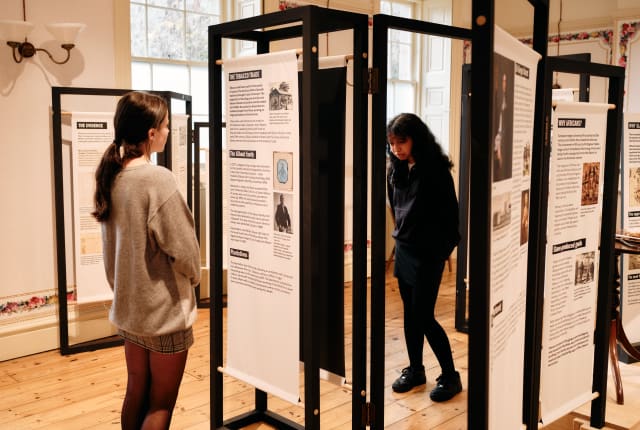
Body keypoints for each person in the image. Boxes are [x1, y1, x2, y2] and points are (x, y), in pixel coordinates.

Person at [92, 91, 201, 429]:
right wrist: (195, 278)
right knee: (161, 405)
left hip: (129, 310)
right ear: (151, 134)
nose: (169, 131)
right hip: (164, 313)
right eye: (165, 126)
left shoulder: (113, 176)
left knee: (135, 391)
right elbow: (185, 251)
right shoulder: (158, 179)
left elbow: (112, 251)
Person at [386, 113, 462, 402]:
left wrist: (438, 254)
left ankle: (451, 377)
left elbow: (452, 222)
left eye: (401, 142)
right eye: (392, 143)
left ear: (417, 138)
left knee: (424, 316)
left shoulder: (437, 173)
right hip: (405, 250)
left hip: (428, 255)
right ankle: (416, 370)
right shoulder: (395, 170)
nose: (396, 149)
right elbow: (396, 208)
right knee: (410, 314)